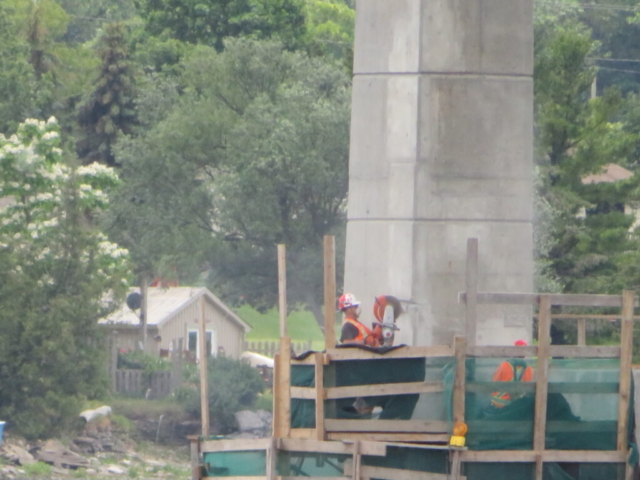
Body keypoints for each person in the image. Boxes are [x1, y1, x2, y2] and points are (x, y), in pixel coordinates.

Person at [491, 340, 534, 408]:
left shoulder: (504, 365)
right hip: (517, 404)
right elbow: (527, 389)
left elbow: (494, 382)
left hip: (499, 403)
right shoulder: (529, 369)